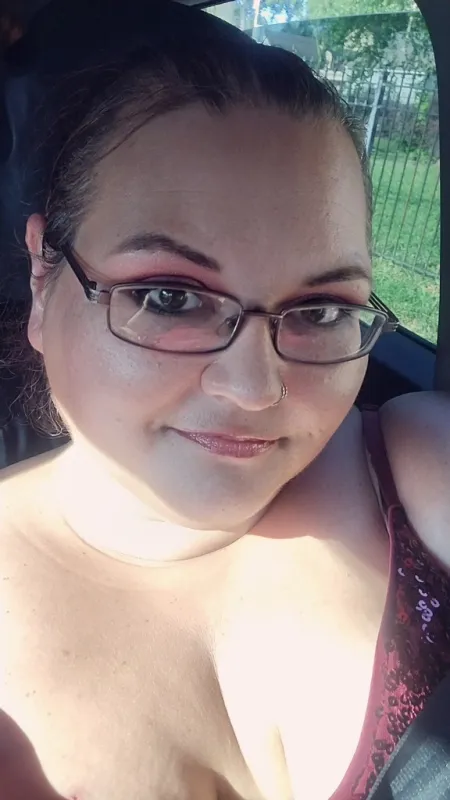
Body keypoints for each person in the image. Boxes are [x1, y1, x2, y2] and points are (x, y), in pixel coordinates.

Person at [0, 1, 449, 798]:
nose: (256, 389)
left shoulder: (416, 467)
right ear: (43, 277)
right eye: (170, 297)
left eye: (320, 310)